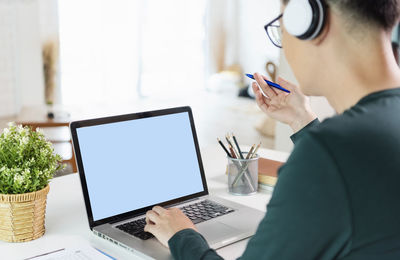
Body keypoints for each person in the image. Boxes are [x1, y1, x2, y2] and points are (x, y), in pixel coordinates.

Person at [143, 0, 400, 259]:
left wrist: (182, 235)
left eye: (281, 28)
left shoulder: (329, 151)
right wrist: (302, 120)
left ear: (311, 20)